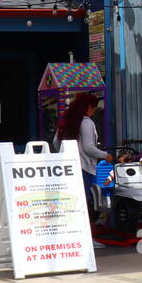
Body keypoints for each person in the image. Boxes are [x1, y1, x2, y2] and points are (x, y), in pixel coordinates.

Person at [59, 92, 110, 223]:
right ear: (88, 107)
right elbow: (89, 148)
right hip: (84, 168)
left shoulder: (67, 120)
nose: (94, 111)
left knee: (70, 201)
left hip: (67, 167)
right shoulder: (87, 123)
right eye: (94, 107)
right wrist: (105, 155)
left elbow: (56, 142)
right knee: (83, 202)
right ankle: (87, 235)